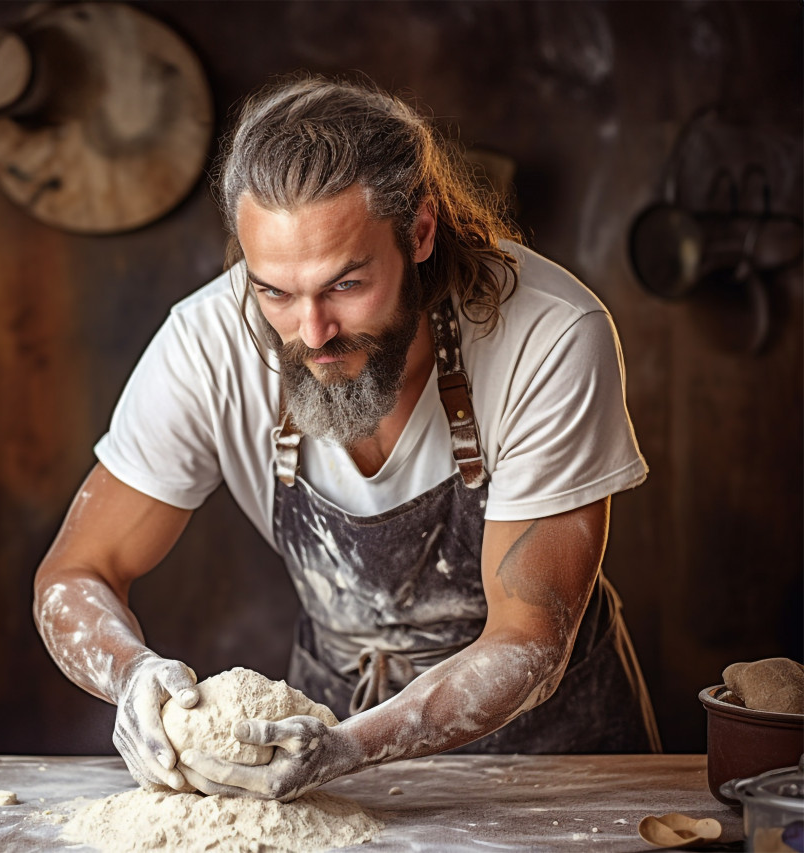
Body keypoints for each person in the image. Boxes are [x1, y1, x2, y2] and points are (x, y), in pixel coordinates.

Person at [32, 73, 661, 803]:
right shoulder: (206, 344)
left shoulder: (548, 337)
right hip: (321, 749)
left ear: (421, 231)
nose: (312, 332)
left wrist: (355, 744)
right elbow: (76, 573)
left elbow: (528, 638)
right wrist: (130, 674)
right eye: (274, 290)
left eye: (346, 284)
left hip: (555, 765)